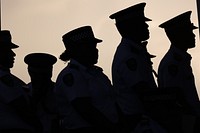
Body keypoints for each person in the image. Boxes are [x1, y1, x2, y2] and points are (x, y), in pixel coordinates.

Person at [54, 26, 120, 133]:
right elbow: (84, 109)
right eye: (90, 47)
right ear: (77, 50)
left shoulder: (98, 74)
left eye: (95, 46)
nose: (95, 50)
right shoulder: (71, 75)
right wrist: (112, 129)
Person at [109, 2, 157, 133]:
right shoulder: (129, 56)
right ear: (131, 27)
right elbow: (143, 91)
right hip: (140, 123)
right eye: (142, 23)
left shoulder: (135, 52)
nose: (147, 26)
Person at [158, 11, 200, 133]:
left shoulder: (180, 60)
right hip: (185, 123)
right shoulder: (173, 64)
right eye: (189, 32)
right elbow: (175, 98)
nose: (194, 35)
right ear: (179, 35)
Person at [0, 30, 42, 133]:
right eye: (7, 50)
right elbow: (21, 107)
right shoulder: (3, 78)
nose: (13, 54)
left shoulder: (9, 78)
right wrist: (38, 125)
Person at [24, 53, 59, 133]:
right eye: (37, 75)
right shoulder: (24, 91)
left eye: (43, 76)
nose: (40, 79)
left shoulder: (58, 91)